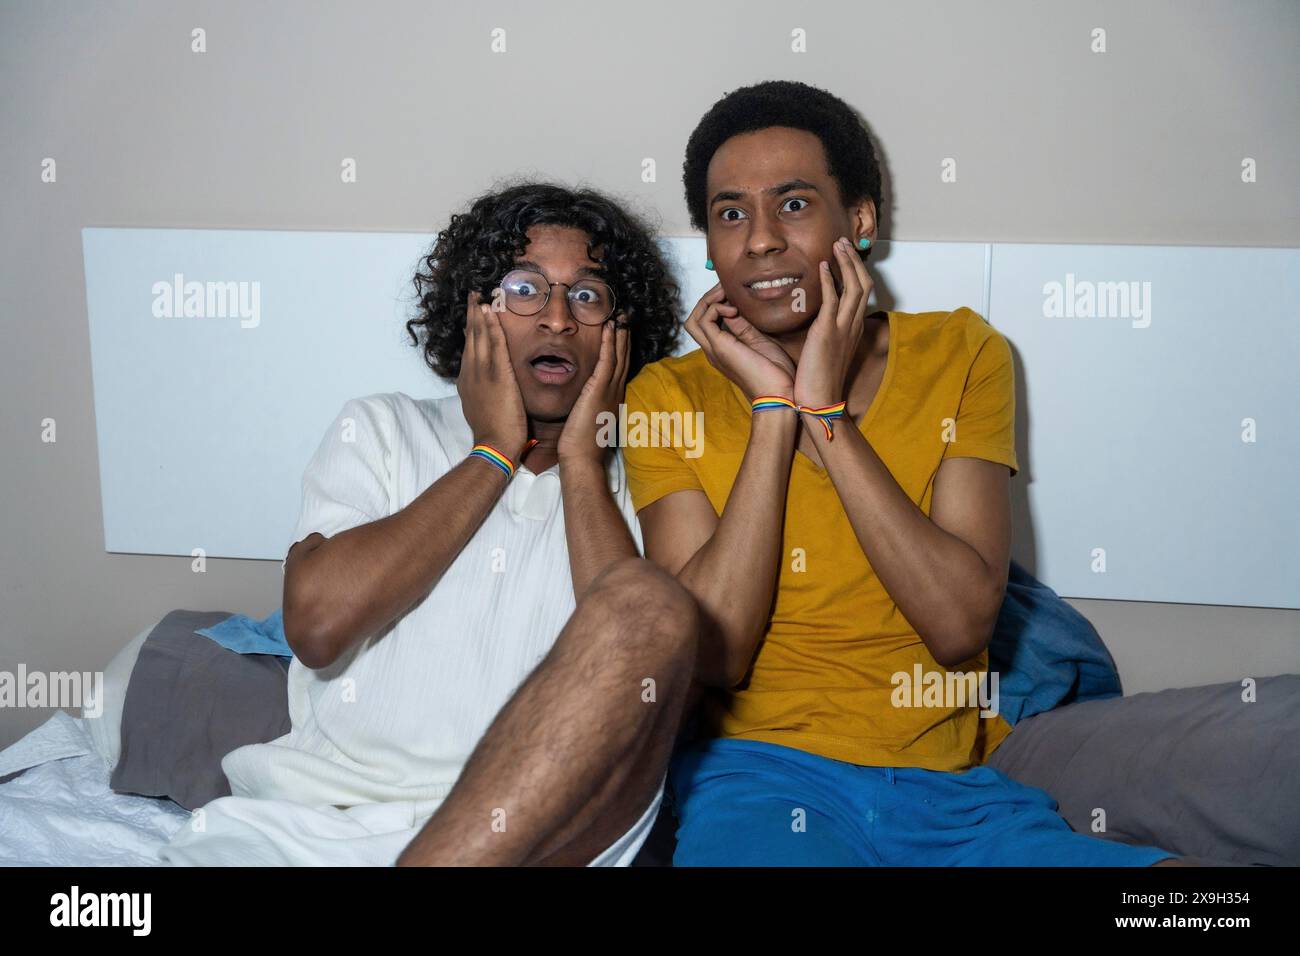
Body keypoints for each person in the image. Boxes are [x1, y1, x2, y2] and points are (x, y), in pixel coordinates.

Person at [623, 80, 1183, 865]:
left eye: (792, 204)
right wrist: (772, 416)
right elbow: (717, 656)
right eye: (729, 214)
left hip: (951, 792)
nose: (757, 241)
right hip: (760, 782)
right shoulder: (664, 395)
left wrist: (826, 415)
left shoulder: (962, 353)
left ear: (858, 221)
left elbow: (957, 627)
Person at [160, 182, 700, 866]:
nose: (559, 318)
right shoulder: (384, 429)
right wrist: (493, 454)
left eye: (589, 296)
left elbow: (641, 669)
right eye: (525, 289)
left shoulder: (652, 477)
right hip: (317, 824)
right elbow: (318, 628)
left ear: (622, 337)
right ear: (476, 313)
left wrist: (584, 467)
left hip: (540, 837)